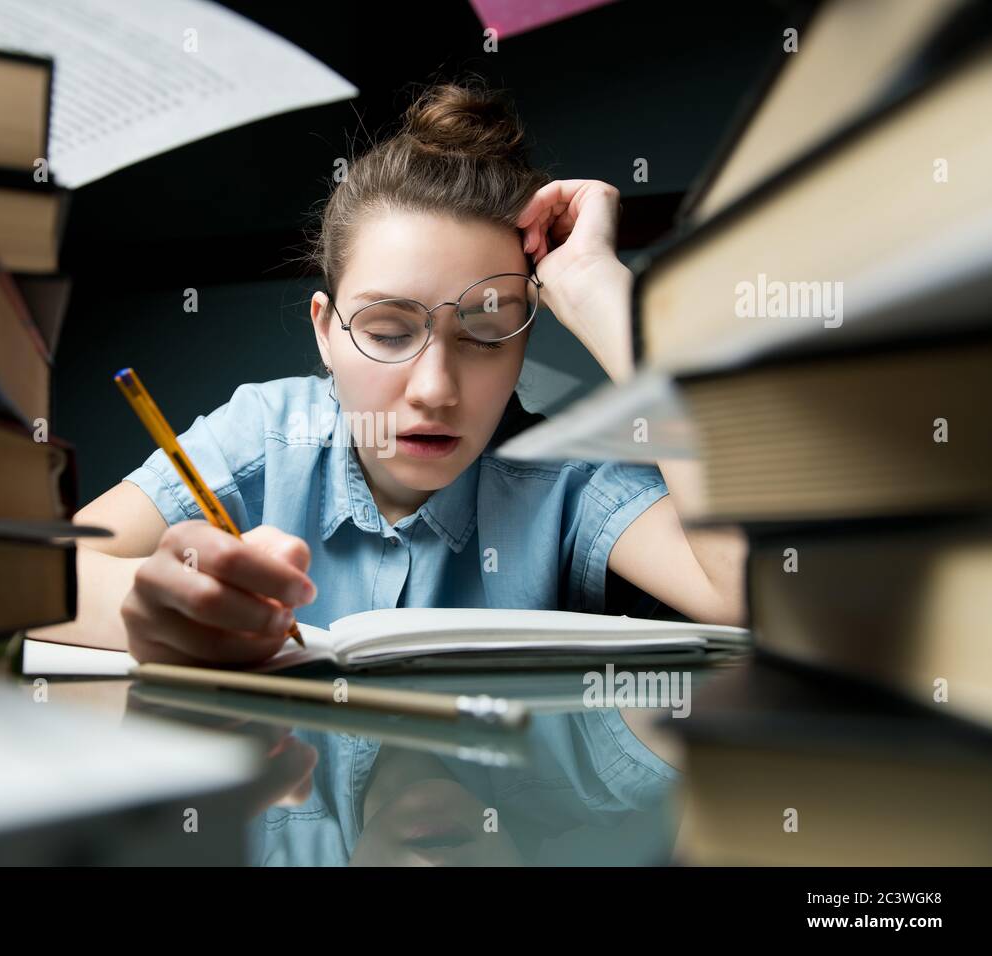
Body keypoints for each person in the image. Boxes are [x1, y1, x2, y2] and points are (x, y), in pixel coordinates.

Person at [69, 82, 747, 667]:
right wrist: (155, 604)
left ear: (524, 334)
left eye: (485, 333)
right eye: (390, 331)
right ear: (325, 329)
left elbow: (755, 592)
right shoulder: (265, 436)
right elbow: (40, 580)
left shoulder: (564, 482)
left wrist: (604, 295)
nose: (434, 389)